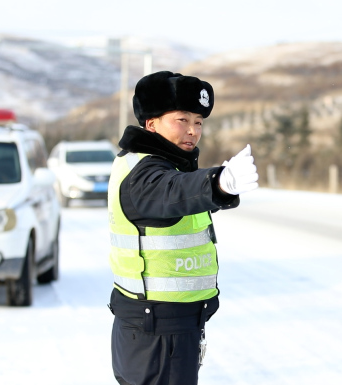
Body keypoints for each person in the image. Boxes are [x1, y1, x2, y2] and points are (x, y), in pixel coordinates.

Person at [107, 70, 259, 385]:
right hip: (159, 332)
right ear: (151, 124)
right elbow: (174, 191)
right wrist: (219, 182)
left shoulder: (157, 164)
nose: (193, 131)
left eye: (199, 122)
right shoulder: (145, 173)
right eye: (181, 120)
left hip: (164, 325)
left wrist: (219, 191)